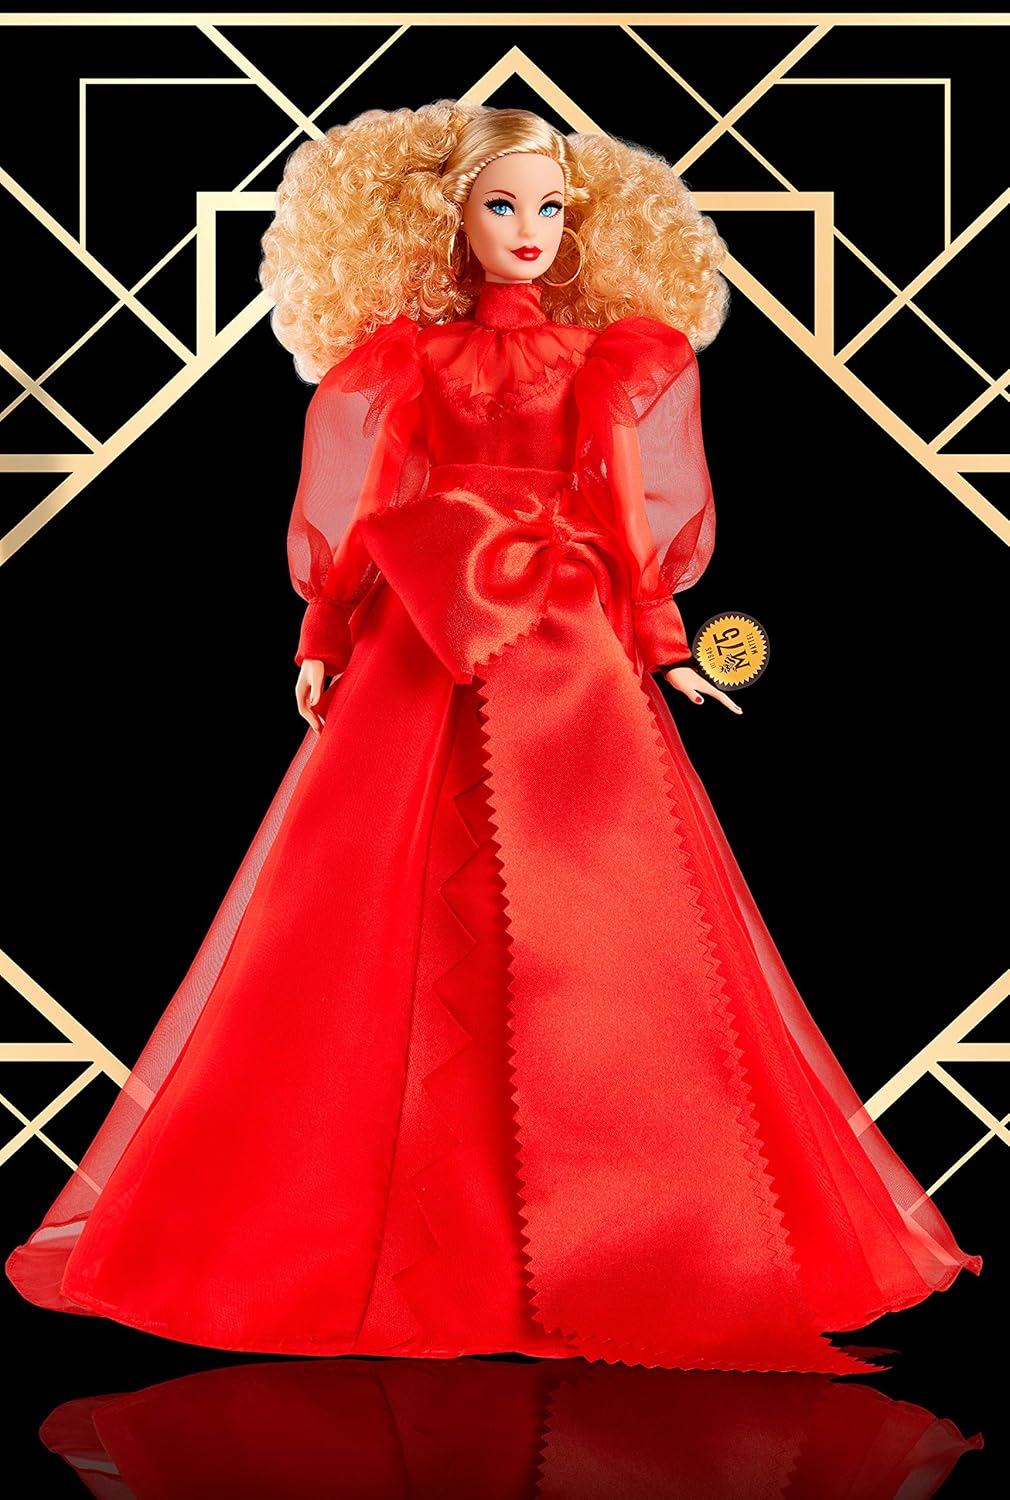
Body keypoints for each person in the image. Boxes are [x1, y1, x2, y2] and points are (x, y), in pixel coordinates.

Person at [5, 101, 982, 1372]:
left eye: (549, 207)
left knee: (610, 921)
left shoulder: (606, 358)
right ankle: (363, 1239)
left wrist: (663, 641)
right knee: (372, 912)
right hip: (421, 638)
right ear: (442, 218)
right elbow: (360, 503)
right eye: (501, 205)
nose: (528, 229)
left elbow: (631, 516)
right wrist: (320, 631)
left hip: (569, 640)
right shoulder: (403, 361)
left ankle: (641, 1233)